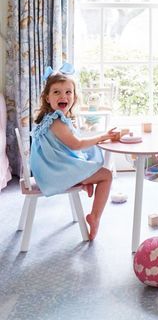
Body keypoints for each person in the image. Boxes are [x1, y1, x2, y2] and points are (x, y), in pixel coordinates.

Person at [30, 69, 119, 240]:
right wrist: (102, 136)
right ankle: (95, 217)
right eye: (57, 92)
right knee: (106, 175)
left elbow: (69, 145)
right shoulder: (56, 120)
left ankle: (85, 180)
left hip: (50, 169)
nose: (63, 96)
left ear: (74, 97)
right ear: (47, 98)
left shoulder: (51, 118)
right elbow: (76, 144)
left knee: (90, 156)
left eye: (68, 92)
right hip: (55, 173)